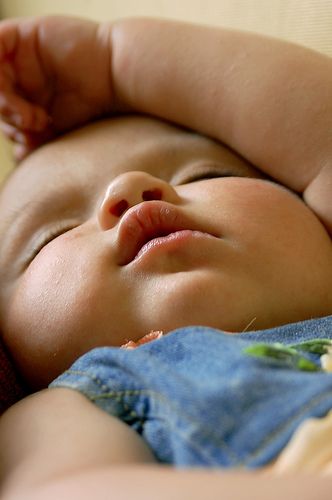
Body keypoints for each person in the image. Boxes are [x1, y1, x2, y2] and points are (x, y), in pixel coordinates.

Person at [0, 15, 331, 499]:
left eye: (204, 174)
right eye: (54, 232)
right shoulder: (68, 408)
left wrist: (113, 62)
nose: (129, 188)